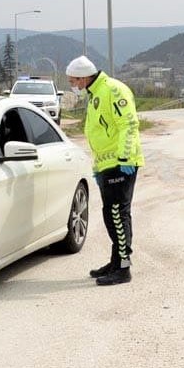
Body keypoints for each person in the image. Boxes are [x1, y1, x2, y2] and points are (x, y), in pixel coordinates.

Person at [65, 55, 145, 286]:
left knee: (117, 214)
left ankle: (123, 268)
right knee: (111, 214)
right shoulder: (95, 93)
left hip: (120, 163)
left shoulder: (113, 90)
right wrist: (99, 166)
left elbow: (128, 124)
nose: (73, 85)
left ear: (83, 77)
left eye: (73, 81)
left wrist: (125, 158)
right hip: (106, 164)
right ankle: (116, 261)